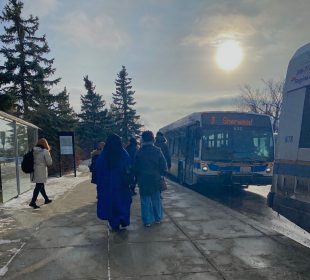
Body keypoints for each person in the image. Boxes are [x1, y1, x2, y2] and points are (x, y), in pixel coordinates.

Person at [96, 134, 132, 231]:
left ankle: (114, 223)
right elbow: (129, 167)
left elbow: (98, 170)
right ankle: (123, 219)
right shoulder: (124, 153)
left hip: (108, 185)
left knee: (111, 204)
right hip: (122, 184)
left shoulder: (104, 155)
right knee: (123, 202)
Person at [134, 131, 167, 227]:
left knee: (145, 201)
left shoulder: (139, 152)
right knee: (156, 199)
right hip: (155, 179)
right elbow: (164, 165)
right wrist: (161, 175)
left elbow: (135, 167)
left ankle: (147, 221)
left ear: (142, 139)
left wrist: (136, 178)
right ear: (153, 139)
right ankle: (158, 218)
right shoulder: (157, 150)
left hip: (143, 180)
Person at [29, 138, 53, 209]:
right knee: (39, 186)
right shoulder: (45, 151)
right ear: (45, 144)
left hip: (34, 170)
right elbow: (49, 162)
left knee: (40, 185)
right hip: (41, 170)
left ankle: (46, 199)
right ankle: (32, 202)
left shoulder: (33, 150)